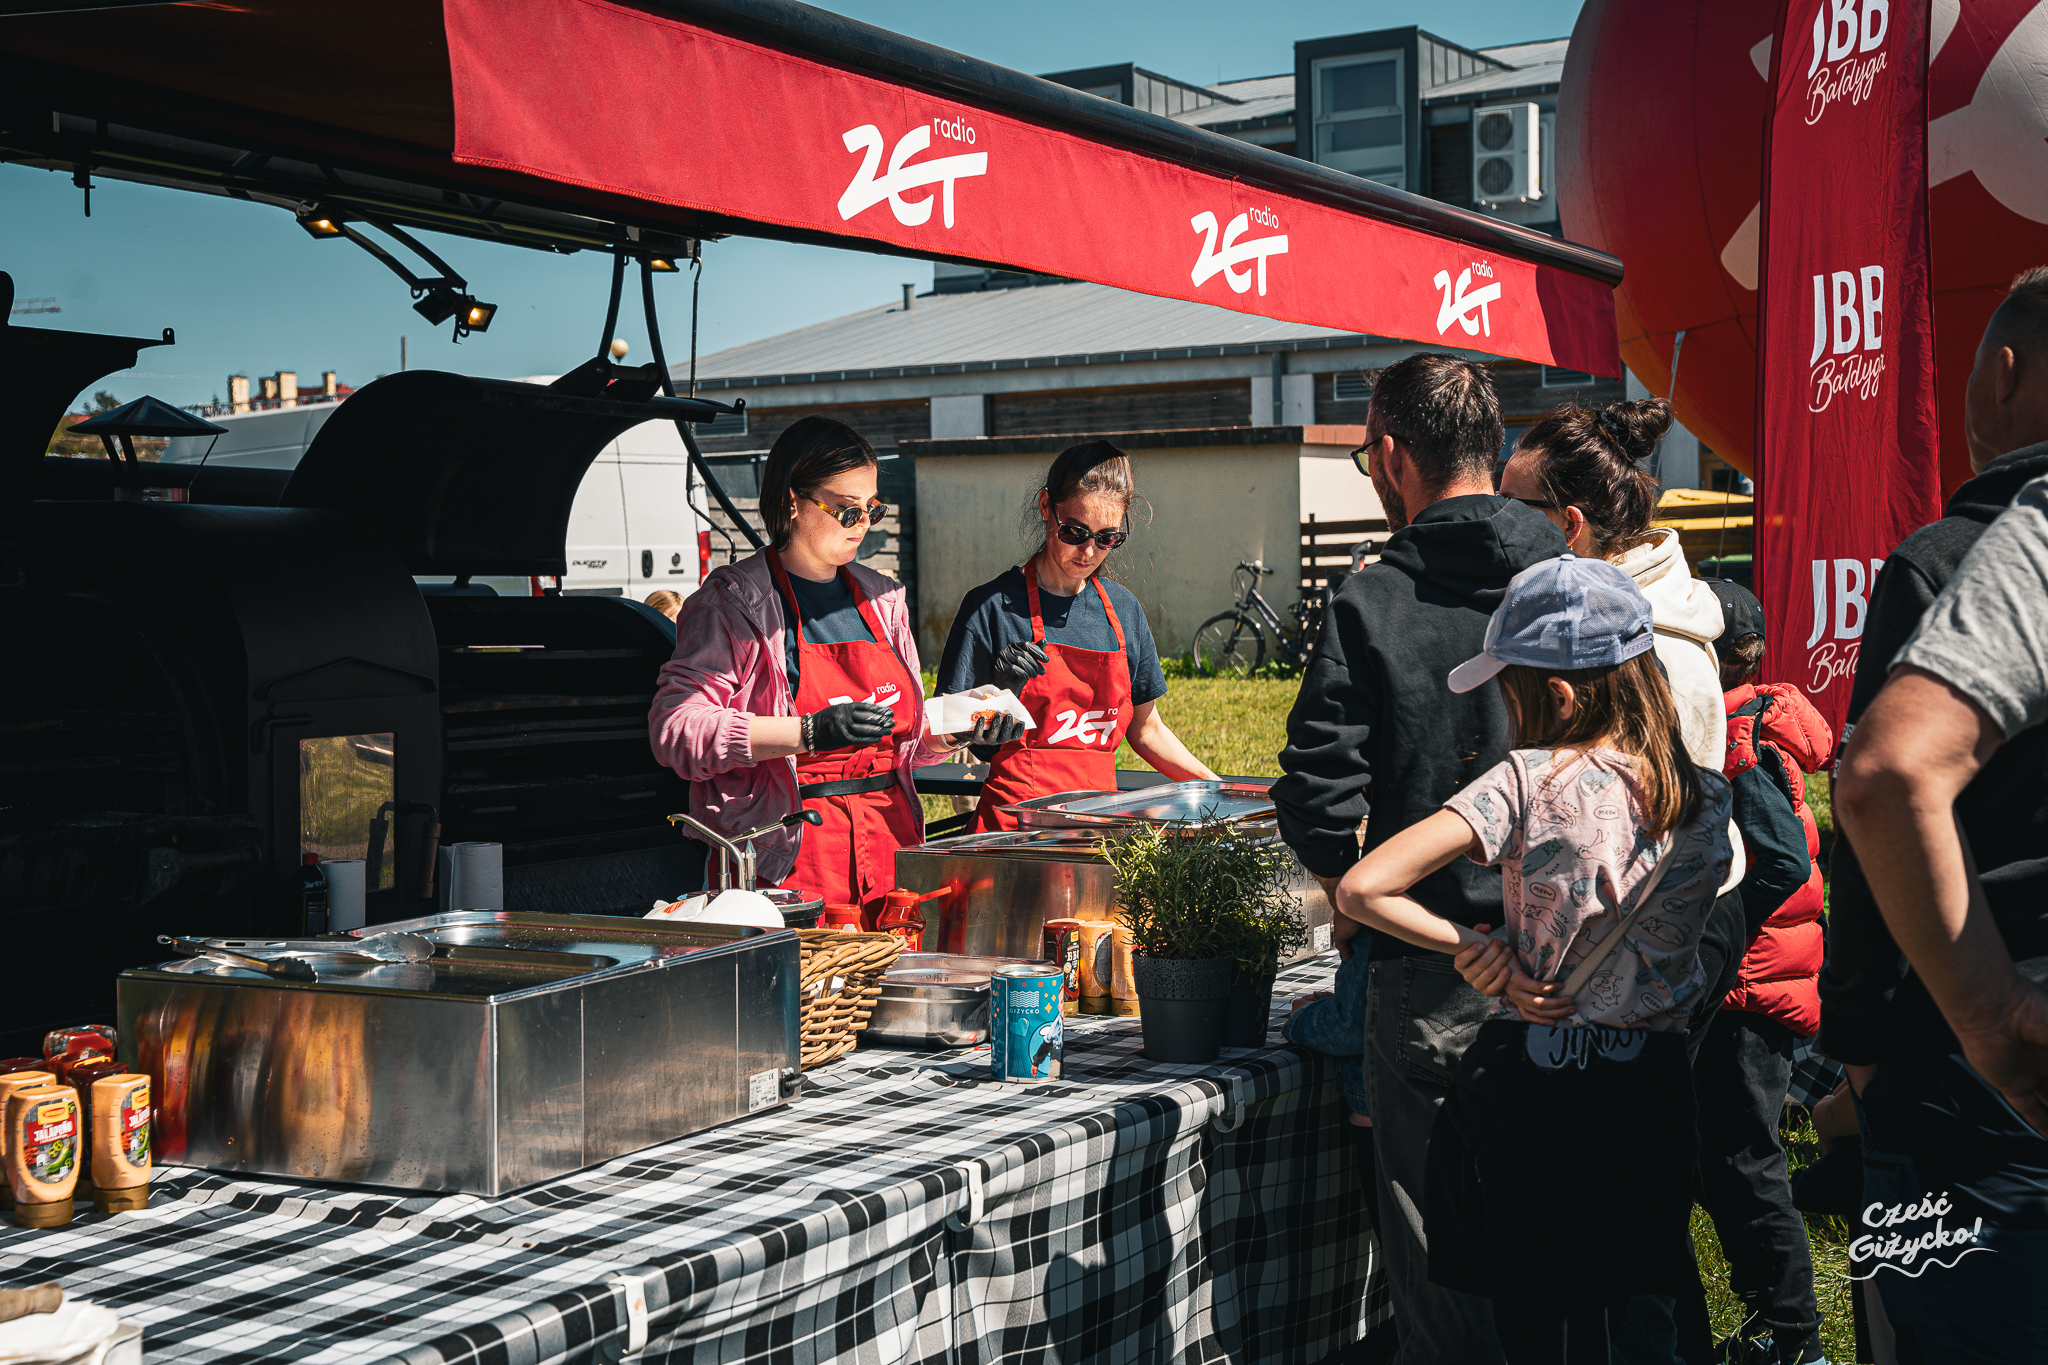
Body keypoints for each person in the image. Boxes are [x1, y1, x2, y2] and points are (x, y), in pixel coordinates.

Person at [1337, 553, 1734, 1365]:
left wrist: (1474, 947)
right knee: (1639, 1311)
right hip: (1653, 1094)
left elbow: (1363, 887)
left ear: (1555, 693)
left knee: (1539, 1325)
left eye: (1506, 687)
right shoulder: (1706, 796)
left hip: (1542, 1097)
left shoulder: (1524, 781)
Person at [1274, 352, 1569, 1364]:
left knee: (1444, 1270)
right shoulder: (1574, 576)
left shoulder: (1371, 600)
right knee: (1569, 1252)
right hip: (1585, 960)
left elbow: (1317, 796)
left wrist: (1351, 905)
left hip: (1432, 962)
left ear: (1390, 456)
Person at [1822, 270, 2048, 1362]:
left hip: (1972, 1056)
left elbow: (1876, 794)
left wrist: (1876, 1040)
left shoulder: (1953, 559)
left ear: (2004, 373)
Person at [648, 416, 1020, 913]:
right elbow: (676, 730)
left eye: (872, 509)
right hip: (787, 868)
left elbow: (901, 745)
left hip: (892, 856)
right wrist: (805, 733)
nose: (863, 525)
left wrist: (958, 729)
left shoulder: (884, 597)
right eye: (846, 510)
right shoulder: (734, 604)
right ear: (790, 502)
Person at [1691, 579, 1833, 1365]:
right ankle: (1770, 1319)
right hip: (1762, 980)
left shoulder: (1739, 733)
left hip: (1751, 986)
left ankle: (1797, 1337)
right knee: (1725, 1157)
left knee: (1746, 1159)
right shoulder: (1753, 719)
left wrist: (1719, 942)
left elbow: (1774, 861)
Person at [939, 440, 1213, 832]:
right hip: (1013, 832)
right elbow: (946, 730)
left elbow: (1146, 728)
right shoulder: (990, 607)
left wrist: (1215, 788)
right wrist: (997, 694)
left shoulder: (1123, 610)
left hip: (1098, 829)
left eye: (1107, 538)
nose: (1088, 551)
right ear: (1046, 507)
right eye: (1075, 531)